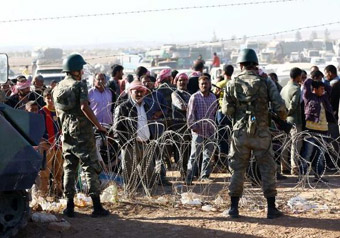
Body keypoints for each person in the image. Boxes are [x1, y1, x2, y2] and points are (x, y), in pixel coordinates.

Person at [222, 48, 287, 219]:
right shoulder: (266, 82)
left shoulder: (232, 83)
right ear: (255, 64)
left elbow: (226, 110)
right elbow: (280, 107)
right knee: (267, 169)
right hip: (262, 133)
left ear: (241, 65)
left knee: (238, 170)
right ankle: (271, 209)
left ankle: (234, 209)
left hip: (240, 133)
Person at [52, 53, 109, 218]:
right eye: (81, 68)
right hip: (82, 131)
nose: (82, 71)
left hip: (67, 132)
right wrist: (99, 127)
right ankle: (97, 207)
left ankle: (69, 207)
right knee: (89, 167)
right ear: (75, 70)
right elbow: (84, 107)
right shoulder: (79, 85)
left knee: (69, 168)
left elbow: (58, 111)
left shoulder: (58, 87)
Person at [113, 80, 156, 192]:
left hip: (146, 142)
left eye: (142, 91)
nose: (139, 94)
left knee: (149, 171)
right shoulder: (124, 107)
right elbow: (116, 129)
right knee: (130, 172)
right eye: (136, 91)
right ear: (130, 92)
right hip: (131, 144)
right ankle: (130, 194)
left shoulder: (147, 106)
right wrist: (125, 145)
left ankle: (149, 193)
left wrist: (152, 139)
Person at [300, 78, 334, 182]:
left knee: (321, 155)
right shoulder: (309, 97)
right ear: (314, 89)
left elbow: (329, 89)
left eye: (323, 89)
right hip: (311, 130)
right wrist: (313, 81)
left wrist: (321, 83)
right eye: (320, 89)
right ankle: (303, 176)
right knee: (307, 153)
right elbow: (306, 85)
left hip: (323, 131)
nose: (323, 90)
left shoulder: (324, 98)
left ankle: (318, 176)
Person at [186, 75, 218, 184]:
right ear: (199, 85)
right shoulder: (195, 97)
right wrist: (193, 127)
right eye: (202, 84)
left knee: (208, 155)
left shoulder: (213, 98)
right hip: (198, 131)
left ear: (209, 84)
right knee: (194, 155)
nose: (204, 85)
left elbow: (214, 113)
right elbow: (190, 114)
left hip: (210, 130)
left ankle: (204, 176)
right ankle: (189, 177)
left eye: (206, 83)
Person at [38, 88, 63, 197]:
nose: (51, 101)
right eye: (48, 98)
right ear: (44, 99)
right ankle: (43, 194)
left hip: (59, 146)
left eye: (52, 98)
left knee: (59, 171)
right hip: (48, 145)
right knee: (45, 172)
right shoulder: (42, 112)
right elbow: (38, 129)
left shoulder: (59, 111)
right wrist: (43, 141)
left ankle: (58, 192)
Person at [280, 67, 303, 175]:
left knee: (285, 144)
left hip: (285, 121)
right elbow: (293, 106)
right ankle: (295, 168)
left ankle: (284, 167)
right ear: (298, 76)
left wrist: (283, 115)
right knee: (295, 145)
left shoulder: (284, 88)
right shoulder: (296, 88)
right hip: (295, 120)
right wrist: (288, 113)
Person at [171, 73, 191, 178]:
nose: (182, 82)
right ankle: (183, 172)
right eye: (180, 80)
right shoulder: (175, 94)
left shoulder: (189, 94)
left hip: (190, 125)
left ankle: (189, 172)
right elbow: (182, 106)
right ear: (176, 82)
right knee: (181, 149)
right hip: (179, 126)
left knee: (188, 149)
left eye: (184, 80)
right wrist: (192, 107)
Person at [214, 65, 233, 162]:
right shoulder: (234, 83)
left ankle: (222, 161)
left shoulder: (220, 84)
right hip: (232, 113)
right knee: (232, 137)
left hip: (221, 112)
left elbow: (214, 96)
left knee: (222, 138)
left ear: (224, 73)